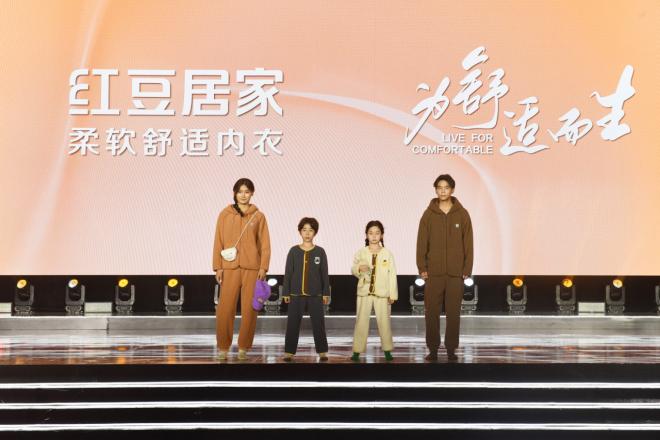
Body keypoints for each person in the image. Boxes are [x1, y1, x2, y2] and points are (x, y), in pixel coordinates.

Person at [416, 174, 473, 361]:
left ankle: (451, 349)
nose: (442, 191)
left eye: (446, 187)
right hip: (434, 272)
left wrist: (467, 268)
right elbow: (421, 243)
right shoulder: (428, 215)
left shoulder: (462, 214)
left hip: (456, 272)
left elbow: (468, 243)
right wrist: (422, 266)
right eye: (439, 187)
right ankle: (432, 349)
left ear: (452, 190)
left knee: (453, 313)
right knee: (431, 312)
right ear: (435, 190)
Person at [213, 178, 271, 361]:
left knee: (250, 309)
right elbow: (218, 241)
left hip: (252, 269)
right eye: (240, 192)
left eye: (247, 191)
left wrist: (263, 267)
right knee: (224, 310)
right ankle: (223, 348)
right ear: (235, 193)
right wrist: (218, 267)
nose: (243, 195)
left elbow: (264, 244)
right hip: (229, 268)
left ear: (252, 193)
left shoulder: (259, 216)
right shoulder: (224, 215)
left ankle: (244, 349)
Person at [282, 218, 330, 361]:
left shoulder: (320, 252)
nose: (307, 233)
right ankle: (289, 352)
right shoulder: (294, 251)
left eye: (310, 230)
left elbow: (324, 274)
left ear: (315, 232)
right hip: (295, 293)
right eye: (304, 230)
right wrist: (286, 292)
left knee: (318, 323)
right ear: (300, 232)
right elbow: (288, 272)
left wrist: (325, 293)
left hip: (316, 294)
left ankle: (322, 352)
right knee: (292, 323)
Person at [350, 220, 398, 361]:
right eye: (371, 233)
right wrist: (359, 268)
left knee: (384, 323)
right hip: (364, 293)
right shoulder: (361, 252)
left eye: (377, 233)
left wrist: (392, 294)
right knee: (361, 322)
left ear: (382, 235)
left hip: (382, 294)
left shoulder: (387, 254)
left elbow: (392, 274)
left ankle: (387, 350)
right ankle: (357, 351)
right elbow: (353, 269)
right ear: (366, 235)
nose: (374, 236)